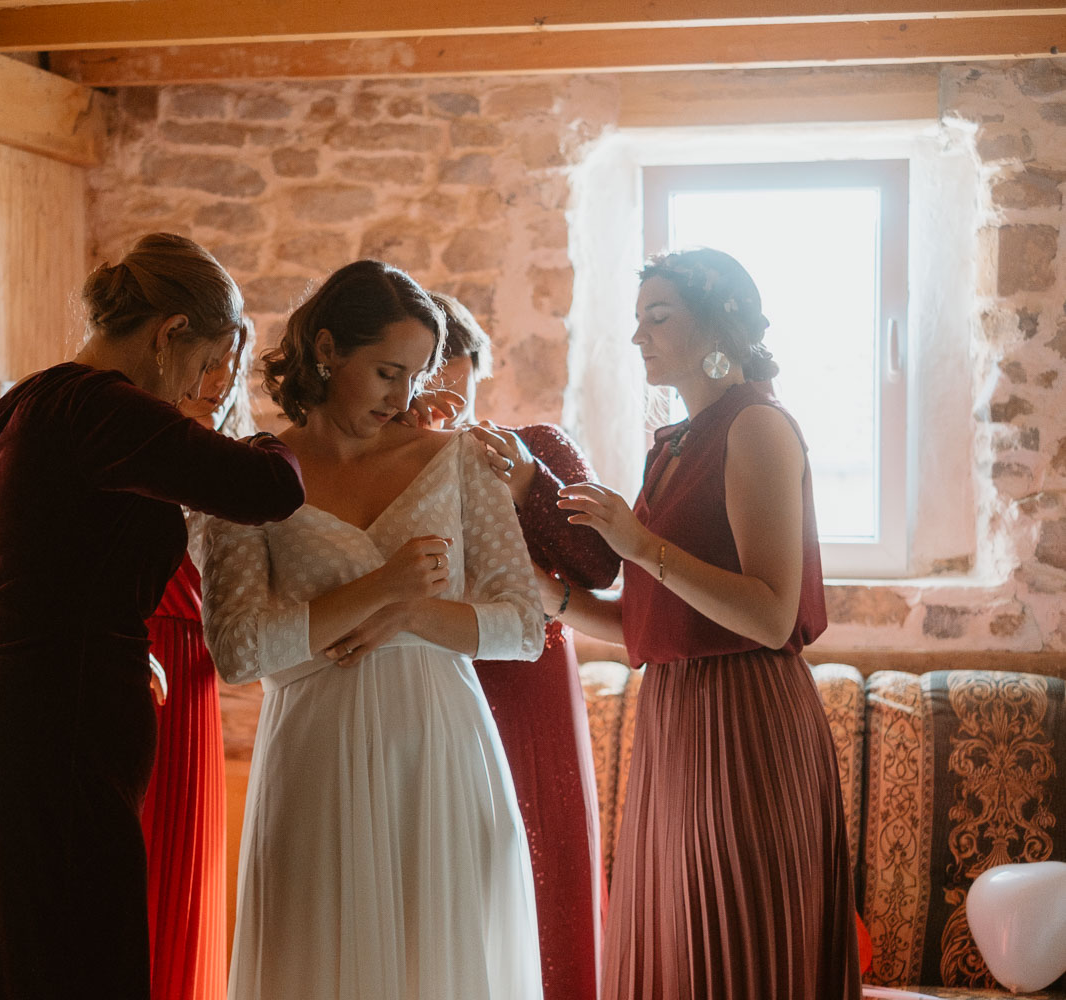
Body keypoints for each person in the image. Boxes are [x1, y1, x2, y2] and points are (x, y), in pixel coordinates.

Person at [0, 234, 305, 1000]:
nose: (201, 386)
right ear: (169, 332)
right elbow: (270, 487)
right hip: (58, 742)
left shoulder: (32, 401)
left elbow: (54, 561)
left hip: (17, 717)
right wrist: (284, 433)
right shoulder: (101, 406)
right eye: (205, 364)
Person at [200, 260, 547, 1000]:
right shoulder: (250, 474)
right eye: (389, 372)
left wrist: (414, 612)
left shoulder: (457, 463)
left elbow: (525, 627)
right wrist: (378, 588)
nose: (405, 396)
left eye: (417, 376)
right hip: (315, 753)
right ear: (327, 350)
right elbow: (237, 652)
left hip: (439, 748)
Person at [555, 248, 861, 1000]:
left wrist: (637, 544)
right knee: (675, 952)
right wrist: (543, 594)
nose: (638, 338)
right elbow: (648, 620)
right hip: (673, 718)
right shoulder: (675, 444)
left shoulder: (756, 426)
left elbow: (767, 614)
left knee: (738, 951)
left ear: (719, 321)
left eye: (658, 317)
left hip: (746, 719)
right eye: (636, 320)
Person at [425, 292, 621, 1000]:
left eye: (456, 382)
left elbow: (601, 565)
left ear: (480, 370)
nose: (442, 405)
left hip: (529, 682)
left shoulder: (536, 443)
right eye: (423, 387)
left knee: (546, 862)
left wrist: (529, 483)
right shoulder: (394, 466)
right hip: (433, 676)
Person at [139, 318, 256, 1000]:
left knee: (183, 875)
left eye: (231, 364)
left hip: (192, 675)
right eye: (210, 360)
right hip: (129, 657)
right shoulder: (130, 441)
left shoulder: (229, 460)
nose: (220, 380)